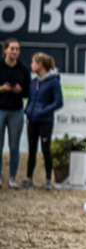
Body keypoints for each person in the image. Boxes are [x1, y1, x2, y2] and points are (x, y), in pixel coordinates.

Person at [23, 52, 63, 190]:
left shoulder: (53, 82)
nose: (31, 65)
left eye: (33, 62)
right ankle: (29, 179)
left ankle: (47, 180)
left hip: (45, 121)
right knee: (31, 150)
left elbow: (58, 102)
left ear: (40, 65)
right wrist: (28, 110)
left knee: (46, 150)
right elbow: (31, 100)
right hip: (32, 121)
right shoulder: (34, 82)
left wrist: (43, 111)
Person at [1, 38, 31, 189]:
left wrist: (20, 91)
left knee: (14, 146)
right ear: (5, 50)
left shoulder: (23, 70)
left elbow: (28, 93)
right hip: (0, 109)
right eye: (12, 49)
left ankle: (12, 177)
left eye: (17, 49)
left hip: (16, 111)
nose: (15, 52)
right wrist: (1, 89)